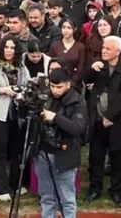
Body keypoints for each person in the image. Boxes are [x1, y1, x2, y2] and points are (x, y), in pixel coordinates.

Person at [84, 35, 121, 207]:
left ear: (118, 51)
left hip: (117, 121)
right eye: (103, 48)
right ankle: (95, 188)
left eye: (107, 48)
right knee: (95, 158)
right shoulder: (99, 66)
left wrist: (110, 115)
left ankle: (117, 191)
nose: (103, 51)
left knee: (117, 159)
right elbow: (84, 79)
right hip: (97, 120)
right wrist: (92, 68)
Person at [34, 69, 87, 218]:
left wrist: (56, 118)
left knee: (67, 200)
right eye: (52, 86)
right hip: (43, 152)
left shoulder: (78, 102)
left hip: (65, 154)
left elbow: (77, 128)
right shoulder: (45, 98)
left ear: (68, 85)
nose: (55, 90)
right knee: (46, 197)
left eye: (59, 87)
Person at [0, 35, 28, 202]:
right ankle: (0, 187)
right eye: (7, 47)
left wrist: (22, 93)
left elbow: (29, 85)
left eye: (12, 48)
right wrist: (4, 90)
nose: (9, 51)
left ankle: (15, 184)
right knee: (0, 151)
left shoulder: (22, 68)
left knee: (16, 151)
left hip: (17, 114)